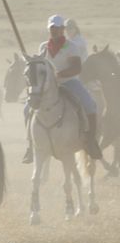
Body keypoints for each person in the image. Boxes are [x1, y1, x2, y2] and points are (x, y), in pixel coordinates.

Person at [22, 14, 102, 163]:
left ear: (63, 29)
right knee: (27, 109)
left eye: (58, 28)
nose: (55, 31)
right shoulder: (43, 47)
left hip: (70, 82)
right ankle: (31, 145)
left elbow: (76, 68)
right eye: (52, 28)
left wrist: (58, 75)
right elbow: (41, 66)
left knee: (90, 105)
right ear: (49, 29)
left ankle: (90, 142)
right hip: (48, 86)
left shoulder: (71, 46)